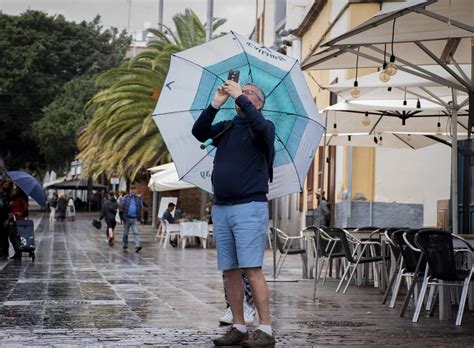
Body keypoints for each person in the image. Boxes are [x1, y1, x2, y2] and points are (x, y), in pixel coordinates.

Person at [192, 80, 276, 346]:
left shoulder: (264, 127)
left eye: (250, 92)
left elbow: (260, 126)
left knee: (252, 269)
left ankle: (266, 329)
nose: (242, 93)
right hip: (222, 207)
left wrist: (240, 97)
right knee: (229, 271)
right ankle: (239, 325)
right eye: (242, 91)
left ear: (259, 103)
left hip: (249, 207)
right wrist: (217, 102)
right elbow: (199, 131)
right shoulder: (227, 126)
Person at [120, 185, 143, 253]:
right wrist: (120, 200)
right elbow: (120, 207)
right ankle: (125, 245)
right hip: (127, 218)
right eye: (131, 189)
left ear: (136, 190)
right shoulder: (125, 198)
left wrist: (141, 217)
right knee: (125, 234)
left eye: (134, 189)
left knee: (136, 232)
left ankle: (137, 246)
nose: (133, 190)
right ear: (129, 190)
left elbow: (141, 208)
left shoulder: (139, 199)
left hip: (135, 219)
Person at [8, 186, 28, 260]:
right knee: (11, 236)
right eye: (14, 189)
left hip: (18, 219)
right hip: (12, 219)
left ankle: (18, 253)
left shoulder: (21, 198)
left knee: (16, 236)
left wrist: (20, 212)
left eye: (16, 189)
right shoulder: (13, 198)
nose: (14, 190)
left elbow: (26, 207)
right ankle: (17, 252)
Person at [0, 179, 13, 259]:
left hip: (6, 219)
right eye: (5, 183)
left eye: (8, 184)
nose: (6, 185)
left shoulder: (11, 196)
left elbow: (12, 210)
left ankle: (5, 253)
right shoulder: (0, 195)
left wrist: (8, 220)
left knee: (4, 237)